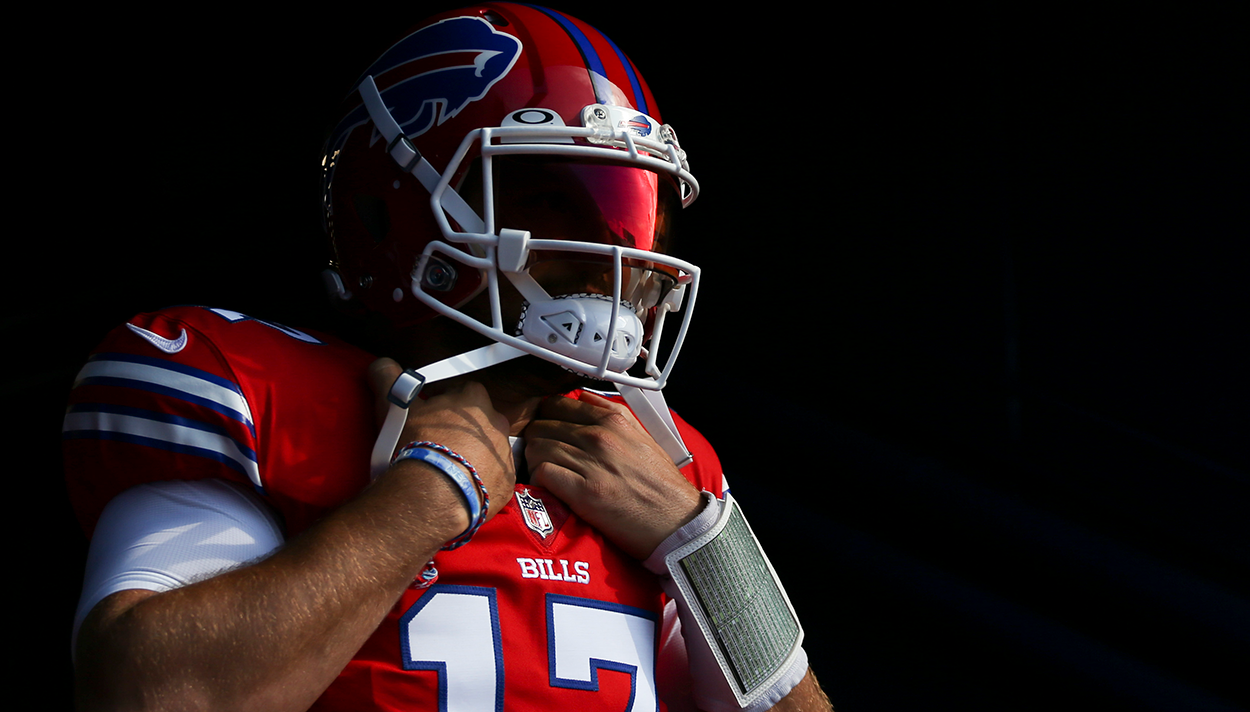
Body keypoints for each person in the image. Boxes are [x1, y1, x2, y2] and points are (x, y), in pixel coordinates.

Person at [64, 4, 830, 710]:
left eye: (633, 213)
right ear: (390, 206)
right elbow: (156, 694)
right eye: (553, 199)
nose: (611, 255)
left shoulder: (662, 462)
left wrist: (706, 545)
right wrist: (431, 491)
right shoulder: (249, 384)